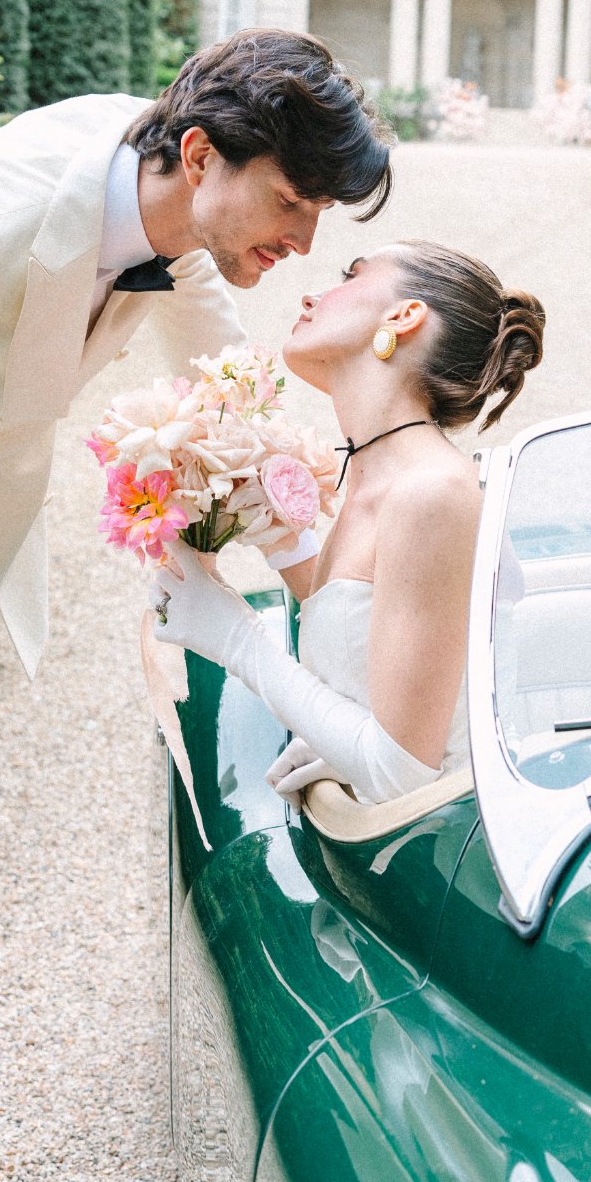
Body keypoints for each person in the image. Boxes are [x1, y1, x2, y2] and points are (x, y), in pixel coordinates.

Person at [0, 29, 391, 1007]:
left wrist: (350, 617)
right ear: (200, 156)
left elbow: (231, 402)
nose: (305, 241)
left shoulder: (171, 216)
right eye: (292, 201)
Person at [151, 241, 545, 808]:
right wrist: (339, 738)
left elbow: (401, 774)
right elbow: (359, 643)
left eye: (350, 276)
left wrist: (236, 638)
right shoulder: (378, 476)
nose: (312, 295)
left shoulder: (433, 491)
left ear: (404, 316)